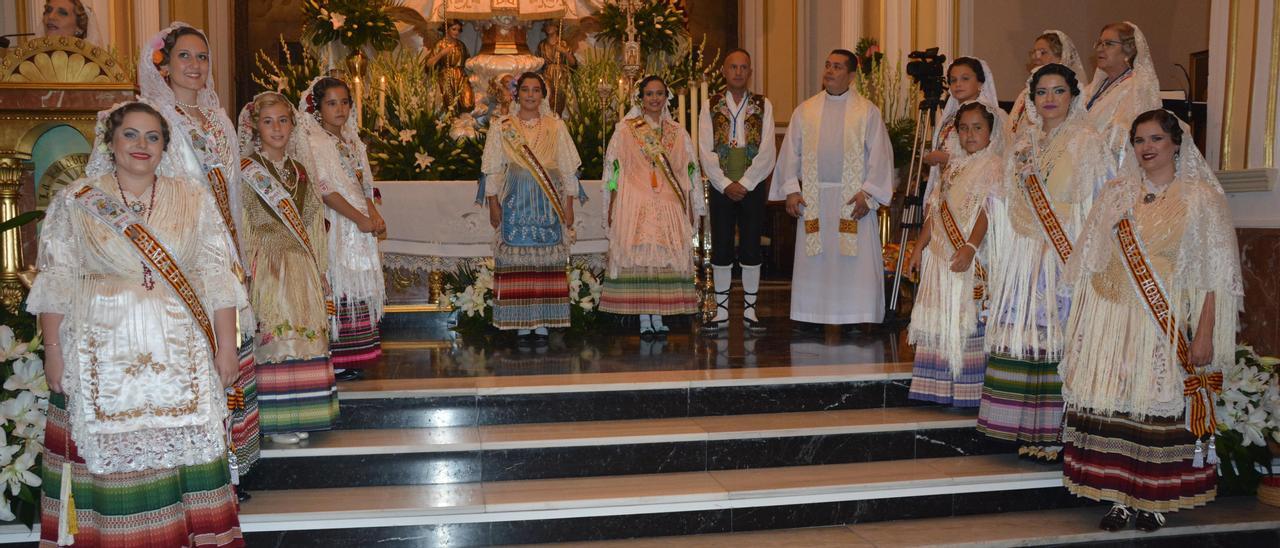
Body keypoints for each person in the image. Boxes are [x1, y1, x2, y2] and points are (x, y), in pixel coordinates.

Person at [30, 101, 245, 547]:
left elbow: (216, 276)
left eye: (152, 136)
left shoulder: (191, 197)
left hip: (180, 351)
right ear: (110, 141)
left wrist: (226, 347)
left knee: (185, 460)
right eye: (130, 134)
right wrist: (53, 350)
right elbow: (57, 279)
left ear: (166, 146)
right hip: (98, 353)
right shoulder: (77, 201)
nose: (141, 145)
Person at [1059, 110, 1240, 532]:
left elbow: (1215, 275)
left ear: (1177, 143)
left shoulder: (1201, 198)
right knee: (1118, 405)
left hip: (1166, 322)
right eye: (1139, 140)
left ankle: (1154, 499)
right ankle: (1118, 497)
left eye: (1156, 138)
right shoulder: (1117, 193)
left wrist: (1206, 332)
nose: (1147, 147)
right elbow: (1089, 259)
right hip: (1114, 318)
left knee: (1157, 408)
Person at [138, 21, 259, 497]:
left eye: (202, 57)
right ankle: (198, 471)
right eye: (184, 56)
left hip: (222, 252)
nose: (194, 66)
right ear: (163, 64)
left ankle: (229, 468)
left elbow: (232, 196)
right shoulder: (152, 116)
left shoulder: (218, 119)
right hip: (180, 255)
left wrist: (240, 253)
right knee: (196, 359)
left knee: (229, 356)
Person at [977, 63, 1113, 463]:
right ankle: (1015, 426)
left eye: (1058, 91)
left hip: (1063, 253)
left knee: (1057, 335)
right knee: (1021, 333)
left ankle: (1058, 432)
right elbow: (1002, 198)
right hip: (1022, 252)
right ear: (1032, 99)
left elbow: (1102, 202)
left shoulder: (1088, 142)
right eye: (1041, 92)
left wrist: (1082, 253)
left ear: (1073, 95)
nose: (1049, 99)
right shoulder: (1022, 143)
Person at [237, 91, 339, 444]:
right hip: (268, 264)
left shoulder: (300, 171)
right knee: (277, 335)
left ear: (293, 125)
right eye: (268, 121)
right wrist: (248, 270)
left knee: (305, 334)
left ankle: (304, 410)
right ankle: (278, 418)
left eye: (283, 120)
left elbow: (313, 220)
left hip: (301, 265)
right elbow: (245, 221)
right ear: (254, 127)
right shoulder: (247, 170)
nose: (276, 128)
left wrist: (320, 268)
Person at [770, 49, 894, 330]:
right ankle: (811, 316)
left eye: (837, 67)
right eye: (827, 65)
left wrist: (869, 193)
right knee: (816, 259)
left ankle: (854, 316)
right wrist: (791, 189)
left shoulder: (867, 112)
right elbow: (791, 152)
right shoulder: (806, 110)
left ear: (851, 76)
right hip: (814, 199)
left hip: (853, 200)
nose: (829, 71)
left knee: (852, 262)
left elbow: (880, 156)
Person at [906, 101, 1004, 408]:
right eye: (964, 128)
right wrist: (918, 247)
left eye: (978, 128)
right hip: (939, 252)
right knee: (939, 313)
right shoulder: (953, 166)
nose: (970, 134)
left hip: (970, 251)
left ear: (991, 131)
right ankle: (938, 386)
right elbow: (935, 210)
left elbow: (989, 210)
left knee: (965, 315)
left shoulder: (994, 165)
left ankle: (969, 390)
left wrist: (971, 246)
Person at [481, 72, 586, 344]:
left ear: (543, 95)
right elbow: (492, 169)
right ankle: (520, 323)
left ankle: (543, 322)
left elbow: (567, 169)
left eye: (536, 90)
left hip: (548, 203)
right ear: (516, 94)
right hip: (515, 200)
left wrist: (570, 204)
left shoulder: (556, 126)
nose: (530, 95)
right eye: (525, 89)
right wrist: (493, 205)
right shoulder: (502, 126)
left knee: (546, 262)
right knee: (518, 260)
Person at [294, 76, 387, 380]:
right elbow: (324, 187)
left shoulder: (351, 140)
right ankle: (337, 355)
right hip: (336, 223)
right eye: (332, 103)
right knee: (339, 279)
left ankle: (356, 352)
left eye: (345, 102)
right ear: (318, 108)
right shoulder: (315, 141)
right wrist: (358, 217)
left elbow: (364, 185)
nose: (340, 109)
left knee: (356, 282)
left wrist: (373, 214)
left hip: (357, 222)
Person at [600, 75, 704, 336]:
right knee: (642, 258)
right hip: (636, 203)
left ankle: (659, 315)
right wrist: (613, 200)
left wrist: (691, 204)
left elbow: (687, 170)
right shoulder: (626, 130)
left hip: (668, 204)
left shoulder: (678, 132)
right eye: (649, 94)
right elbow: (614, 169)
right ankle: (644, 318)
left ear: (666, 97)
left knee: (662, 261)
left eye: (659, 93)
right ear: (641, 98)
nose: (654, 98)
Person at [698, 48, 776, 334]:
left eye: (744, 67)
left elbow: (768, 150)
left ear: (750, 72)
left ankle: (750, 311)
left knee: (751, 245)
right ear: (724, 71)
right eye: (734, 67)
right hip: (721, 186)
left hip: (751, 186)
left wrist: (745, 183)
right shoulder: (710, 105)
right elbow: (705, 149)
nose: (739, 72)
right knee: (721, 244)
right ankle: (720, 312)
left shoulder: (763, 105)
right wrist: (724, 183)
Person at [1084, 21, 1161, 166]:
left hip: (1112, 166)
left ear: (1129, 49)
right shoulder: (1093, 88)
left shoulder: (1137, 88)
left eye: (1109, 44)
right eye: (1099, 43)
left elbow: (1129, 135)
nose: (1100, 49)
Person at [1007, 30, 1086, 135]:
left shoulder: (1073, 92)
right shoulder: (1025, 92)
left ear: (1061, 56)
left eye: (1042, 52)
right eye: (1034, 52)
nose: (1036, 57)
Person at [427, 19, 474, 114]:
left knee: (467, 102)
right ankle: (452, 124)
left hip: (461, 76)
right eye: (454, 29)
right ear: (447, 29)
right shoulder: (441, 44)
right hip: (446, 76)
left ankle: (464, 122)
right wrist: (441, 53)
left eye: (458, 30)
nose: (457, 32)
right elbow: (429, 64)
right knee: (450, 105)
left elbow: (468, 61)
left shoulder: (461, 45)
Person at [537, 22, 577, 114]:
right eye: (546, 25)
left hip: (561, 74)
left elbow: (573, 63)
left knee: (560, 99)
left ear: (556, 27)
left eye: (550, 24)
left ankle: (559, 118)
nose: (548, 27)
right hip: (547, 74)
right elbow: (539, 62)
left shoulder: (563, 43)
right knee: (548, 97)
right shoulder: (542, 45)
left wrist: (563, 51)